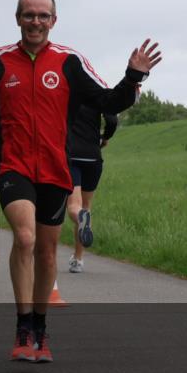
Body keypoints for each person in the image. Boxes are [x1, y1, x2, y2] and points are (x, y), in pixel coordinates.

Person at [0, 0, 161, 363]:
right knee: (24, 238)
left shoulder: (70, 61)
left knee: (46, 251)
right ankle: (23, 326)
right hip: (13, 164)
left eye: (43, 16)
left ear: (53, 21)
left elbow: (108, 101)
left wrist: (134, 74)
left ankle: (40, 327)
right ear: (18, 18)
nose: (35, 22)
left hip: (57, 167)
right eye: (29, 15)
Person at [66, 104, 118, 273]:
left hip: (71, 155)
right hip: (93, 156)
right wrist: (105, 137)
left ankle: (78, 257)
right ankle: (78, 260)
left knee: (74, 206)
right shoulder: (96, 91)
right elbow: (112, 119)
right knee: (85, 208)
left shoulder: (68, 89)